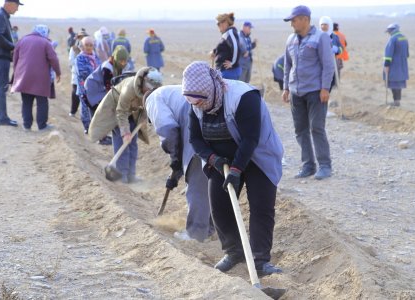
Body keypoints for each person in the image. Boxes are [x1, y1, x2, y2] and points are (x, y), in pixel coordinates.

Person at [182, 61, 284, 276]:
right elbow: (195, 139)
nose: (196, 105)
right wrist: (213, 159)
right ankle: (234, 251)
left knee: (261, 206)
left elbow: (250, 139)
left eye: (199, 100)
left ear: (208, 90)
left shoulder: (243, 97)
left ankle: (260, 260)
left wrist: (237, 169)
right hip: (221, 159)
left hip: (257, 156)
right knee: (219, 205)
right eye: (192, 101)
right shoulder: (195, 104)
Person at [144, 86, 214, 242]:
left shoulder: (152, 100)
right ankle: (210, 228)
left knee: (197, 184)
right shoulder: (169, 92)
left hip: (196, 128)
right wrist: (176, 173)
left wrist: (176, 161)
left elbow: (169, 132)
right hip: (210, 122)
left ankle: (197, 233)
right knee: (212, 182)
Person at [282, 5, 335, 180]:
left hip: (315, 91)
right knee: (300, 130)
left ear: (305, 19)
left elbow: (328, 65)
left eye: (294, 20)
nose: (292, 24)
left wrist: (325, 88)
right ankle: (308, 165)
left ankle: (325, 165)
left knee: (317, 128)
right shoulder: (290, 39)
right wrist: (286, 88)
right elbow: (287, 65)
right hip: (296, 91)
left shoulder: (320, 38)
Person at [88, 67, 163, 183]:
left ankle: (131, 175)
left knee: (133, 144)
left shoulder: (153, 90)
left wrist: (144, 118)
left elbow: (148, 105)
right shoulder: (130, 88)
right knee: (122, 142)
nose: (149, 92)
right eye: (148, 89)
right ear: (144, 82)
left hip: (133, 110)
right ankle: (121, 176)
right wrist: (125, 132)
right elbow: (121, 112)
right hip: (116, 109)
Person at [11, 24, 61, 131]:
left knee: (26, 102)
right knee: (42, 102)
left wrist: (16, 73)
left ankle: (26, 125)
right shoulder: (46, 42)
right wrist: (58, 72)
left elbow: (15, 58)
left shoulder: (22, 40)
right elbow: (53, 59)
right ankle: (42, 125)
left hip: (23, 77)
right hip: (41, 78)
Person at [85, 45, 129, 145]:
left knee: (102, 112)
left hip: (99, 90)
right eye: (121, 61)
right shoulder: (107, 68)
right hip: (93, 91)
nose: (123, 63)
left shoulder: (115, 65)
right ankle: (100, 138)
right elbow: (109, 87)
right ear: (115, 58)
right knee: (100, 113)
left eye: (125, 61)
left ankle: (101, 136)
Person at [0, 0, 24, 127]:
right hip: (0, 56)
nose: (17, 9)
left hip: (1, 55)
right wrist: (12, 47)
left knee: (2, 87)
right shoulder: (0, 15)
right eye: (16, 6)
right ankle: (2, 118)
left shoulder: (2, 15)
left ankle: (3, 117)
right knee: (1, 87)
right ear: (9, 3)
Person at [75, 36, 101, 134]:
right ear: (82, 46)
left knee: (96, 108)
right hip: (85, 89)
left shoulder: (96, 56)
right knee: (85, 108)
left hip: (96, 88)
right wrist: (95, 74)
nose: (89, 47)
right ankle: (87, 127)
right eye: (86, 45)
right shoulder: (80, 58)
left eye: (91, 45)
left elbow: (100, 69)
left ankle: (95, 128)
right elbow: (82, 72)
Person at [383, 23, 409, 107]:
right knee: (399, 84)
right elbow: (407, 54)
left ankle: (396, 102)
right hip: (402, 64)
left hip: (394, 64)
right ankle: (397, 101)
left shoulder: (393, 39)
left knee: (393, 82)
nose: (388, 33)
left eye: (389, 31)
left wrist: (386, 65)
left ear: (392, 30)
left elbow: (388, 53)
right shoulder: (404, 38)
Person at [210, 12, 241, 80]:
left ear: (225, 23)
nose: (218, 26)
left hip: (229, 72)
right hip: (224, 71)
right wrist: (215, 51)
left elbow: (236, 47)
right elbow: (225, 48)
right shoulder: (227, 34)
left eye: (218, 24)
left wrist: (233, 63)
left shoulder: (230, 33)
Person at [68, 28, 88, 118]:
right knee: (75, 93)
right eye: (81, 37)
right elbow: (71, 61)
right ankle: (73, 111)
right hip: (76, 73)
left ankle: (85, 114)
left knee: (85, 94)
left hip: (87, 74)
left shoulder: (89, 48)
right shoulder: (74, 48)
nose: (82, 39)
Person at [319, 16, 343, 89]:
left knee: (332, 80)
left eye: (325, 24)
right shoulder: (317, 36)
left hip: (332, 61)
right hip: (320, 62)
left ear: (329, 25)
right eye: (322, 25)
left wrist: (337, 50)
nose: (323, 27)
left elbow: (341, 48)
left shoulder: (335, 36)